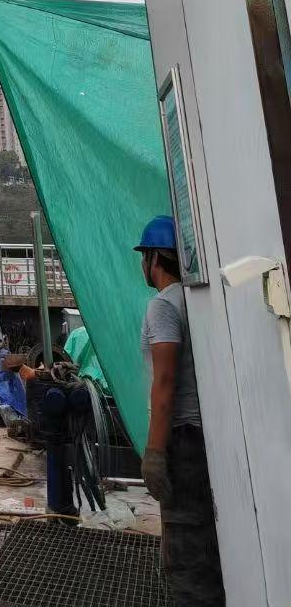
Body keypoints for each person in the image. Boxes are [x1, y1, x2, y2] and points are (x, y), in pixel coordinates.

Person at [135, 215, 225, 606]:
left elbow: (165, 381)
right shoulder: (197, 301)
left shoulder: (163, 306)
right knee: (205, 542)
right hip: (205, 435)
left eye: (144, 257)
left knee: (185, 551)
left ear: (154, 258)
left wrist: (155, 453)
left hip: (182, 439)